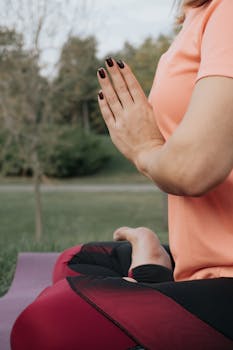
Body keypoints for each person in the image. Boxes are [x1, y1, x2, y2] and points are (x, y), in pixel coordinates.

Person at [11, 0, 233, 349]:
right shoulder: (197, 16)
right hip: (201, 268)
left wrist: (144, 147)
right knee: (76, 261)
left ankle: (150, 278)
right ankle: (157, 273)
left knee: (46, 326)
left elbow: (193, 170)